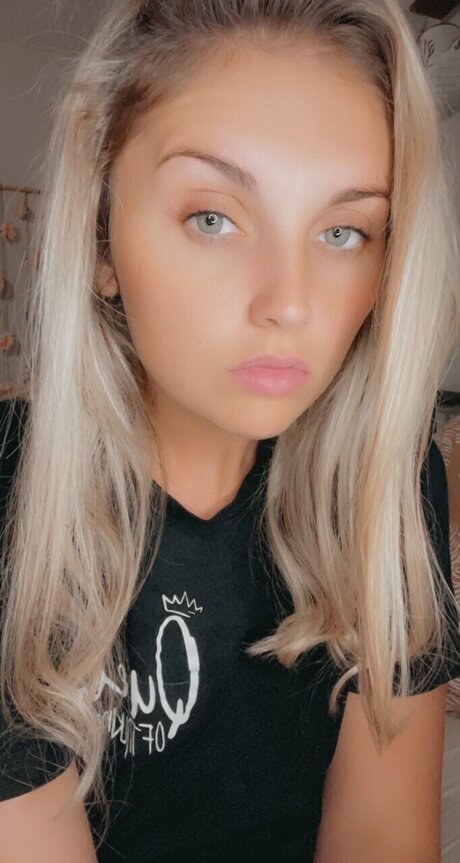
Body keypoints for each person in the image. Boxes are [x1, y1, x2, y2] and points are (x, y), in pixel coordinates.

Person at [0, 1, 460, 861]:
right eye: (212, 217)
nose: (290, 301)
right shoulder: (11, 505)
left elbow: (379, 838)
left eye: (343, 231)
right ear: (101, 237)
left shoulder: (387, 483)